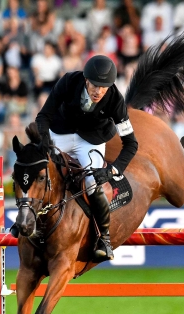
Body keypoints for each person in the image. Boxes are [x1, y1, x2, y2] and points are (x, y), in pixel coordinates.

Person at [34, 55, 141, 261]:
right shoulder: (68, 81)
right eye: (95, 85)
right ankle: (25, 220)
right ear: (85, 80)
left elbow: (131, 143)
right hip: (61, 133)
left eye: (104, 87)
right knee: (39, 168)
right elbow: (43, 116)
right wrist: (46, 143)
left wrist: (112, 170)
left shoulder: (115, 100)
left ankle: (104, 239)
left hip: (90, 141)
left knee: (93, 184)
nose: (98, 91)